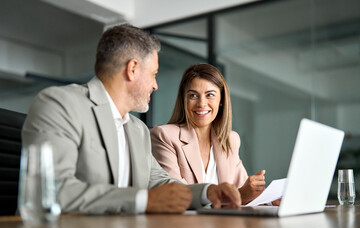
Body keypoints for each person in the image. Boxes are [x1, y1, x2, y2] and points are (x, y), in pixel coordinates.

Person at [21, 25, 241, 215]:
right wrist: (144, 201)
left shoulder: (137, 129)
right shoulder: (60, 104)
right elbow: (49, 190)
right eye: (154, 74)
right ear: (133, 69)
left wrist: (207, 192)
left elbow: (161, 183)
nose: (155, 85)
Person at [151, 63, 267, 205]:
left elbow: (243, 190)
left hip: (223, 225)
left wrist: (269, 200)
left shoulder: (230, 140)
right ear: (184, 100)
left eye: (210, 95)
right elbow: (176, 194)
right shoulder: (164, 136)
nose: (201, 104)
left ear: (221, 101)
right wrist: (240, 195)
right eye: (193, 95)